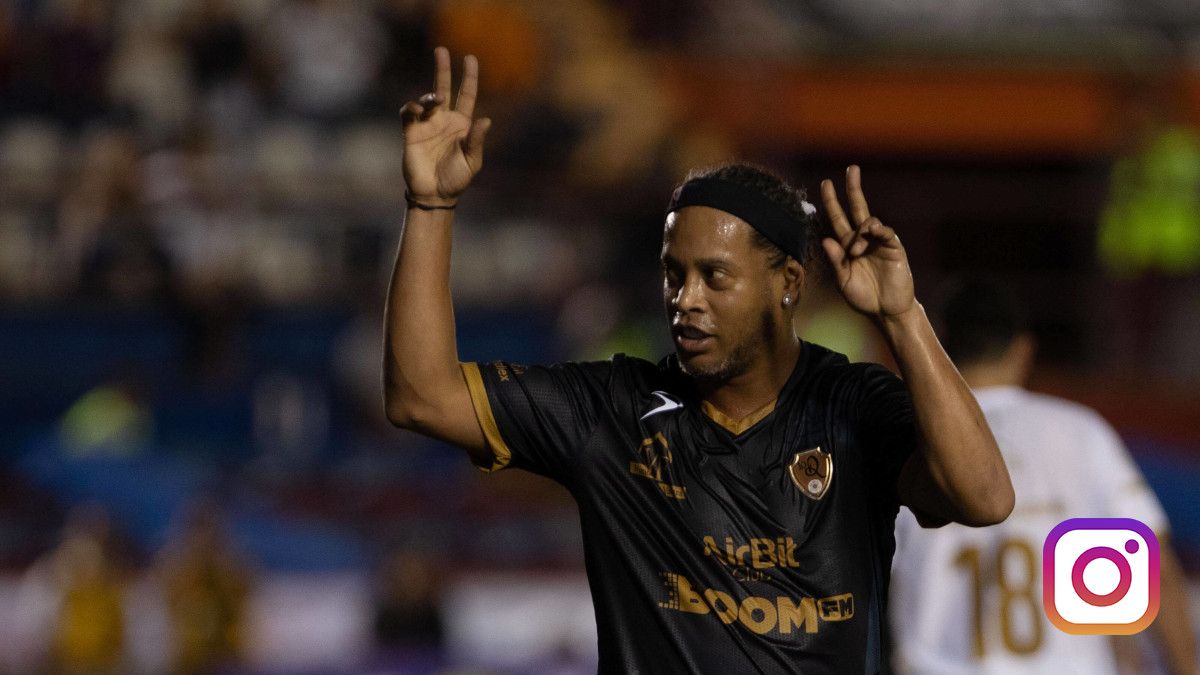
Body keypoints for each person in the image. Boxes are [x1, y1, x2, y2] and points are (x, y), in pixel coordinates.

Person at [384, 47, 1014, 673]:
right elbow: (422, 396)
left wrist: (902, 316)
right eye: (674, 273)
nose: (685, 300)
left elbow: (985, 498)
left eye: (715, 276)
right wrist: (430, 207)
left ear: (787, 281)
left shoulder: (852, 404)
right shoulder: (613, 411)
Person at [888, 277, 1197, 675]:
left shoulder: (905, 437)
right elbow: (1154, 569)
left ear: (940, 346)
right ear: (1022, 349)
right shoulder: (1081, 433)